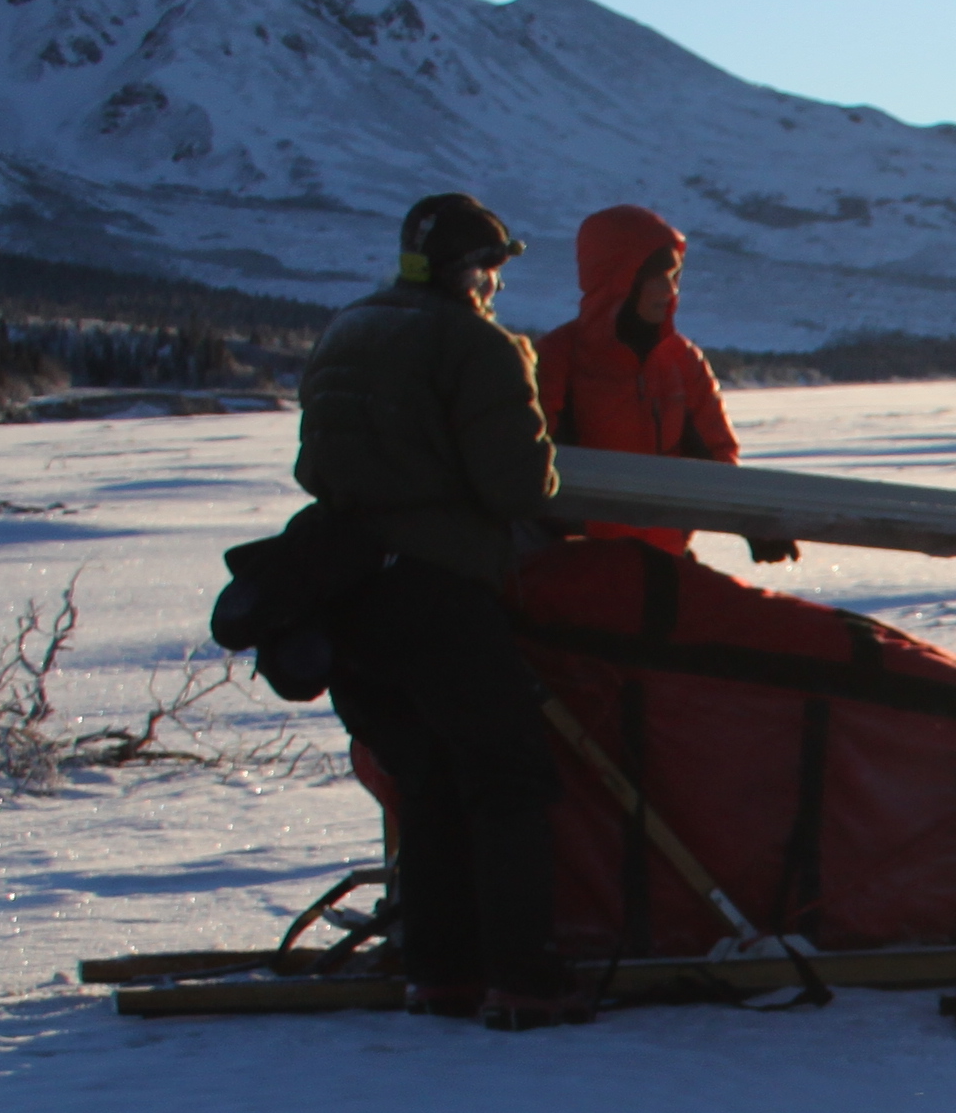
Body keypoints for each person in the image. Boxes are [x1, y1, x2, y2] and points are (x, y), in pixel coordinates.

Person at [293, 190, 583, 1027]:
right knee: (506, 778)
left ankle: (440, 971)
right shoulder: (477, 346)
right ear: (474, 271)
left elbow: (315, 468)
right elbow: (518, 485)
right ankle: (525, 979)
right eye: (492, 270)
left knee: (425, 782)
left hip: (347, 591)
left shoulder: (346, 331)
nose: (495, 285)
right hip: (439, 589)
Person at [527, 203, 794, 562]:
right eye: (659, 276)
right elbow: (529, 465)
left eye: (675, 277)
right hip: (581, 568)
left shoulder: (681, 360)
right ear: (621, 277)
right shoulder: (557, 358)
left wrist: (752, 523)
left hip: (665, 560)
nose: (670, 291)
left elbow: (714, 456)